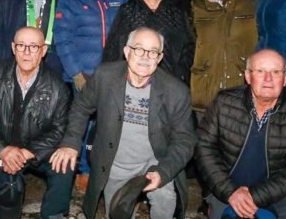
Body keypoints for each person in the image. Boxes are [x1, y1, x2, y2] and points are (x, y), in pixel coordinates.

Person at [51, 27, 197, 219]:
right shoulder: (105, 76)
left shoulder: (176, 91)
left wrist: (163, 172)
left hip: (156, 161)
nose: (145, 57)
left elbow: (186, 139)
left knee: (165, 199)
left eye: (153, 52)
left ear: (159, 58)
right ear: (127, 52)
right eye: (139, 49)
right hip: (116, 163)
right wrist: (71, 143)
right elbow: (81, 107)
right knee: (117, 212)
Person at [195, 49, 286, 219]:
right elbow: (204, 148)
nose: (268, 79)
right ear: (248, 76)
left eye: (276, 72)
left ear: (285, 79)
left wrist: (255, 196)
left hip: (275, 190)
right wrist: (230, 191)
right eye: (260, 71)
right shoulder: (224, 102)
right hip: (227, 186)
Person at [0, 26, 73, 219]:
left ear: (43, 51)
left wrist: (27, 153)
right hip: (0, 147)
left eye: (33, 46)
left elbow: (58, 130)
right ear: (13, 48)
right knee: (6, 195)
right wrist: (3, 150)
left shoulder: (58, 88)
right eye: (21, 45)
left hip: (34, 150)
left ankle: (54, 213)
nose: (26, 52)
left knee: (65, 163)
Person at [53, 0, 127, 191]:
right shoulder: (69, 0)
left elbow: (128, 33)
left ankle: (110, 167)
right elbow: (62, 40)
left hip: (115, 73)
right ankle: (83, 169)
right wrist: (77, 74)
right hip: (84, 74)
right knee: (84, 124)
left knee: (112, 122)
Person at [103, 0, 194, 84]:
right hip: (133, 79)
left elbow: (189, 46)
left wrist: (181, 72)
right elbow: (114, 48)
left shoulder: (177, 12)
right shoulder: (128, 11)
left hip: (169, 80)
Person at [190, 0, 258, 118]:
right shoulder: (194, 6)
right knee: (206, 143)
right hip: (206, 92)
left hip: (242, 91)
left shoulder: (253, 2)